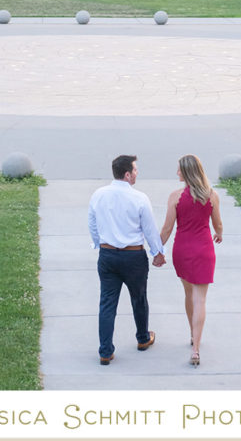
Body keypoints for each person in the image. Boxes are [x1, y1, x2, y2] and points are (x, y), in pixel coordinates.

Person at [88, 154, 166, 365]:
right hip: (133, 256)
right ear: (127, 174)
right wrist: (157, 252)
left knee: (107, 303)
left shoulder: (98, 195)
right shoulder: (139, 198)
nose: (137, 173)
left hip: (107, 255)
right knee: (139, 298)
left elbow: (92, 223)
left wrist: (99, 244)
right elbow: (149, 229)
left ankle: (105, 351)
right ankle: (143, 338)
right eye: (135, 170)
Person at [158, 154, 223, 367]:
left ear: (186, 172)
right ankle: (196, 348)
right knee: (200, 299)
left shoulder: (175, 197)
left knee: (188, 294)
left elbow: (167, 229)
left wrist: (157, 250)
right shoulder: (211, 195)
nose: (177, 172)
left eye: (179, 169)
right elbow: (218, 224)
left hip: (182, 250)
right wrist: (219, 234)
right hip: (204, 250)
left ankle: (193, 335)